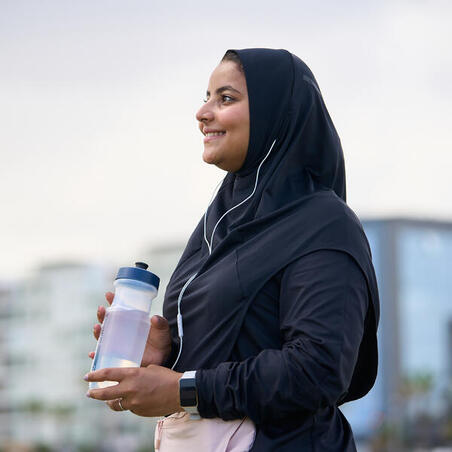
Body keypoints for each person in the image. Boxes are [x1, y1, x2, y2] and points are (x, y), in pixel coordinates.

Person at [85, 48, 380, 451]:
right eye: (205, 97)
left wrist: (183, 390)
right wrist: (170, 355)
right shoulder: (220, 222)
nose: (202, 113)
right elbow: (241, 348)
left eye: (225, 99)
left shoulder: (323, 225)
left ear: (277, 113)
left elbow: (317, 369)